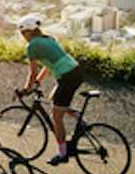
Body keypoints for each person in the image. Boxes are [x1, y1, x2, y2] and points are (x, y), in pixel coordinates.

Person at [17, 13, 85, 165]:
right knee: (53, 100)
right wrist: (37, 83)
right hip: (75, 71)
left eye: (23, 33)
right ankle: (78, 117)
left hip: (67, 77)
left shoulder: (32, 46)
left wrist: (27, 89)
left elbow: (33, 72)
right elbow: (47, 68)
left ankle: (62, 154)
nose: (22, 36)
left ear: (28, 32)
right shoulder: (49, 38)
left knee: (56, 117)